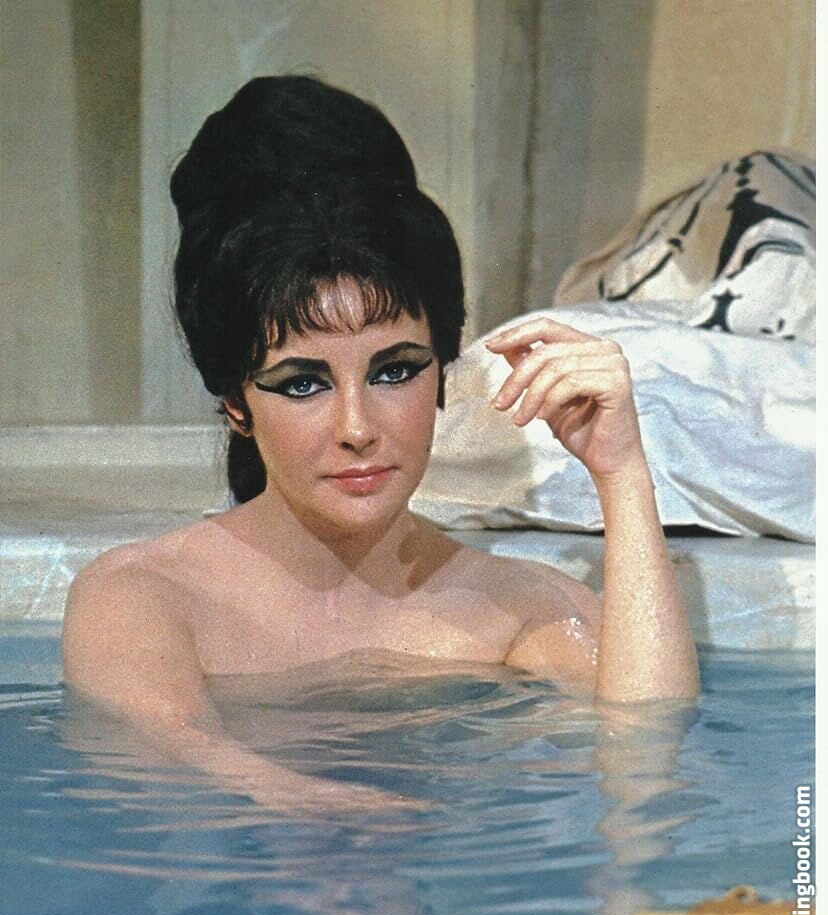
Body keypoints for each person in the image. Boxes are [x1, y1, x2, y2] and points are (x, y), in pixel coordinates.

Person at [62, 76, 698, 813]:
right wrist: (327, 809)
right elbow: (174, 751)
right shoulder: (142, 596)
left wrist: (622, 474)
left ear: (442, 375)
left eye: (395, 371)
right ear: (236, 402)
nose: (357, 427)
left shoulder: (522, 607)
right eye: (303, 384)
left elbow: (649, 755)